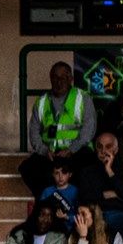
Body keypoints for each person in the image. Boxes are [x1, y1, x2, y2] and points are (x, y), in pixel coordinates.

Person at [20, 61, 97, 197]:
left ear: (71, 79)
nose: (59, 81)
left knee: (89, 166)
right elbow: (34, 132)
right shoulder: (42, 102)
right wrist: (44, 150)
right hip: (51, 153)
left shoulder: (82, 98)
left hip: (75, 151)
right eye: (55, 77)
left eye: (64, 77)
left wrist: (72, 149)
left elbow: (88, 130)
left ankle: (77, 205)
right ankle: (48, 200)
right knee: (27, 168)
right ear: (50, 79)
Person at [77, 132, 123, 239]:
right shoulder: (87, 171)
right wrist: (107, 194)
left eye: (108, 146)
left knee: (113, 222)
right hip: (94, 215)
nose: (103, 151)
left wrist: (109, 171)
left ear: (116, 150)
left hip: (119, 213)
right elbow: (84, 197)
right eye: (100, 147)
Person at [39, 160, 77, 232]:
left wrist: (66, 217)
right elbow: (40, 211)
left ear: (70, 174)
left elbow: (81, 215)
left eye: (64, 173)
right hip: (50, 230)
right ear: (53, 174)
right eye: (57, 173)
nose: (60, 176)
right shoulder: (47, 191)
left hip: (71, 230)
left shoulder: (76, 191)